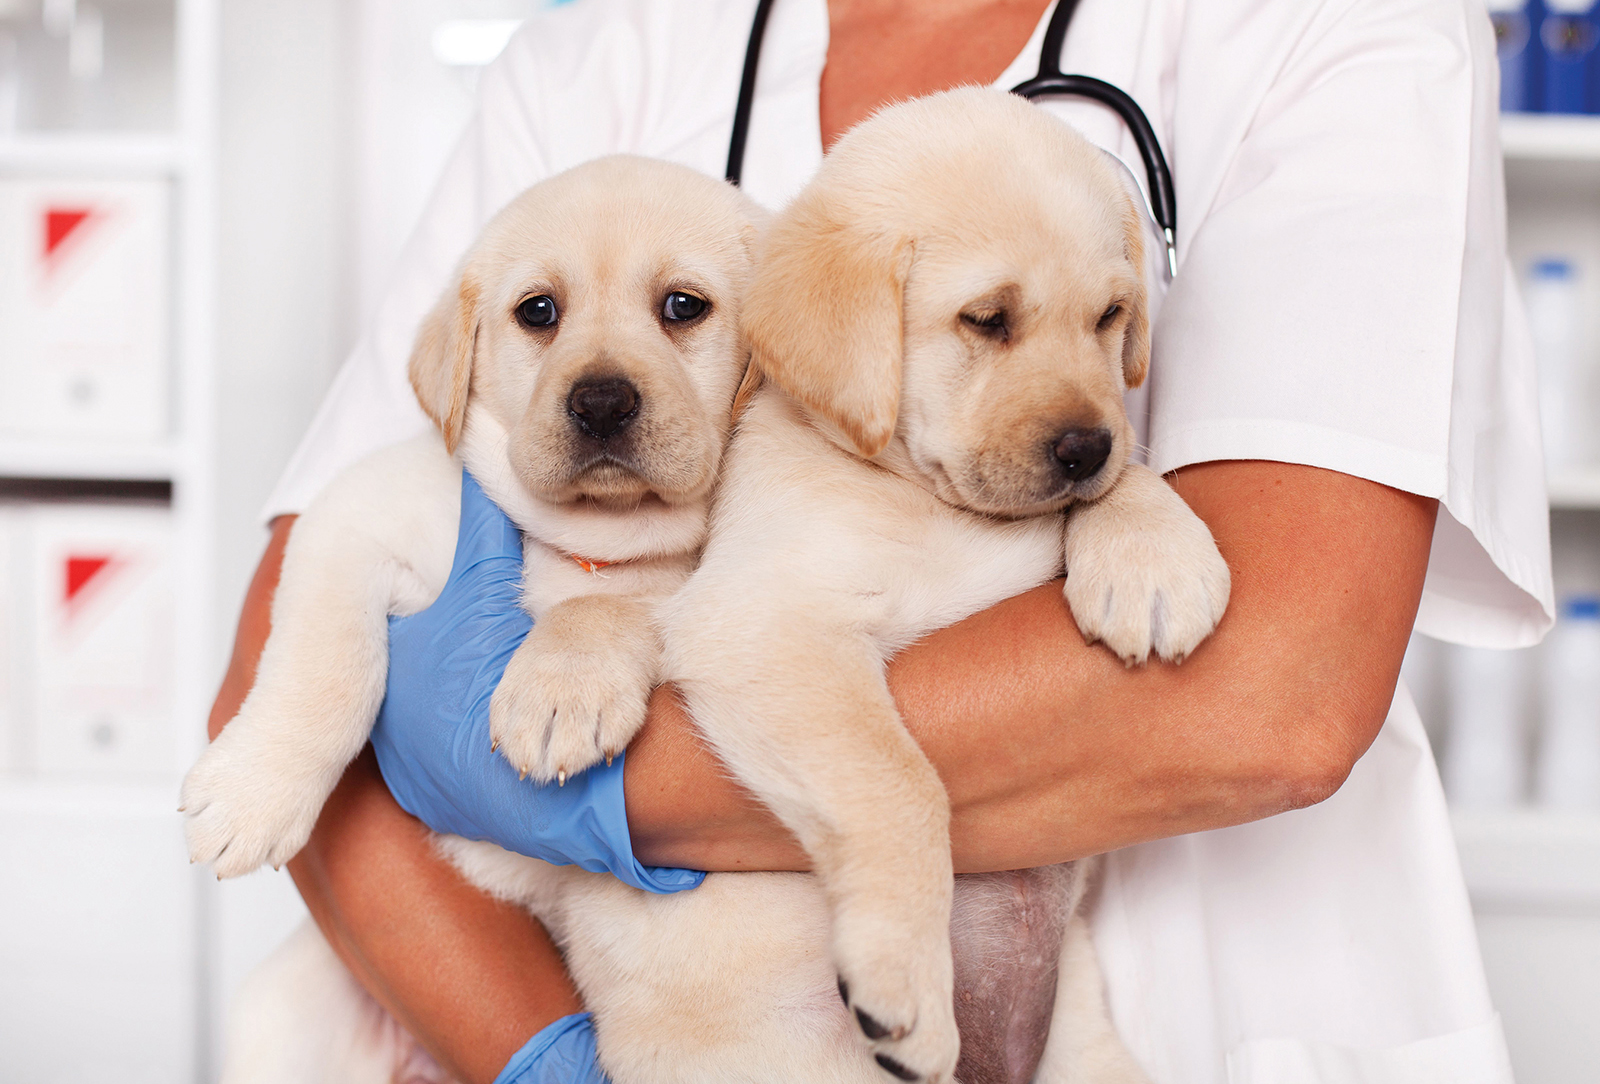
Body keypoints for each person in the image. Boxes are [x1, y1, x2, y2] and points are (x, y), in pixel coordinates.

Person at [208, 0, 1551, 1081]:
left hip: (1219, 1010)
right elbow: (293, 697)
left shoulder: (1342, 26)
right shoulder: (590, 62)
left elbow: (1273, 696)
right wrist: (550, 1060)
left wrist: (601, 793)